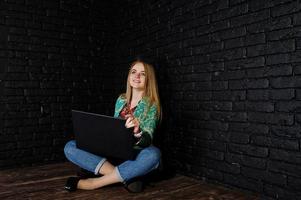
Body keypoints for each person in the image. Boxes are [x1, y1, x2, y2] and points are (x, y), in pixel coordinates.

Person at [64, 58, 162, 192]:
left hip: (135, 153)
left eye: (143, 73)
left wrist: (137, 131)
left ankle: (94, 183)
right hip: (114, 152)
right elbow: (114, 128)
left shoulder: (152, 105)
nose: (136, 76)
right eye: (133, 72)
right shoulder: (121, 100)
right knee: (70, 147)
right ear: (129, 76)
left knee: (154, 154)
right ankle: (127, 177)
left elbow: (147, 140)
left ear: (149, 79)